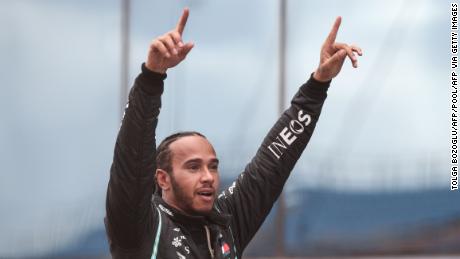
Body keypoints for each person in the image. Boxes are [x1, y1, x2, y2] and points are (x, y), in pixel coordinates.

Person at [105, 8, 362, 259]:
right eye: (193, 167)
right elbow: (132, 159)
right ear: (163, 179)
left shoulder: (225, 222)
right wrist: (151, 78)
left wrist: (318, 85)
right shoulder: (138, 226)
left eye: (213, 167)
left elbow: (272, 163)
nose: (208, 177)